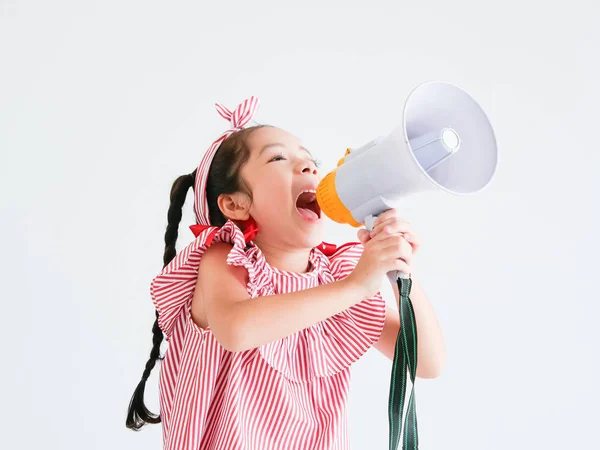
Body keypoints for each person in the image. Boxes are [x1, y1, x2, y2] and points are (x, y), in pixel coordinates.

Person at [126, 96, 446, 450]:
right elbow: (237, 329)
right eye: (279, 158)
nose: (308, 167)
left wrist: (401, 275)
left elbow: (427, 362)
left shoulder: (336, 279)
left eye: (311, 161)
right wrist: (357, 285)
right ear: (235, 204)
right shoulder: (223, 260)